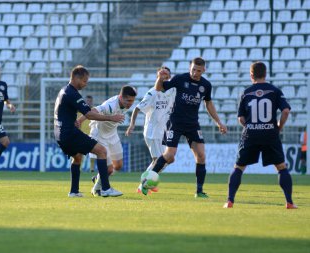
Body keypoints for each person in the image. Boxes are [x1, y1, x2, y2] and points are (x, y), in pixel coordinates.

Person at [140, 57, 227, 197]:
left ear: (204, 70)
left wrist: (219, 122)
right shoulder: (180, 79)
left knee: (201, 156)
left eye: (198, 70)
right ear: (189, 68)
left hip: (192, 124)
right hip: (175, 122)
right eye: (193, 69)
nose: (195, 73)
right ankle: (147, 181)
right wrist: (160, 79)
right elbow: (159, 88)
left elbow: (208, 103)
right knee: (169, 155)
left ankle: (199, 191)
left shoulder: (206, 85)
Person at [224, 61, 297, 209]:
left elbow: (241, 118)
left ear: (251, 75)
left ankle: (230, 201)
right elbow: (286, 111)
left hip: (250, 134)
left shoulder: (246, 92)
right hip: (270, 133)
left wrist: (251, 127)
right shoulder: (275, 91)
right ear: (265, 73)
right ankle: (289, 202)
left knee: (239, 167)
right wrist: (279, 127)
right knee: (281, 167)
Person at [54, 65, 124, 198]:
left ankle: (74, 191)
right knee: (101, 151)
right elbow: (90, 114)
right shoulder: (73, 94)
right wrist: (111, 118)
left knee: (77, 157)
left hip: (60, 134)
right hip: (69, 133)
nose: (85, 84)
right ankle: (105, 188)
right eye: (84, 81)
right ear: (76, 78)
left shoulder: (64, 90)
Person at [78, 86, 137, 196]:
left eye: (132, 101)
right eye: (128, 100)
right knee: (109, 169)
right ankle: (98, 189)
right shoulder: (110, 105)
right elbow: (93, 111)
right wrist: (80, 120)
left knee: (118, 166)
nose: (130, 103)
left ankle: (98, 178)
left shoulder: (125, 104)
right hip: (100, 135)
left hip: (112, 134)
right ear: (120, 97)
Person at [125, 66, 175, 193]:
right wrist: (132, 125)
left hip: (163, 132)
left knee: (169, 159)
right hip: (152, 132)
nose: (165, 77)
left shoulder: (172, 90)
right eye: (162, 75)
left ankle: (148, 181)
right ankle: (143, 185)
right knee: (159, 160)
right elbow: (137, 108)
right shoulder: (152, 93)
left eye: (167, 75)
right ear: (158, 77)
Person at [77, 95, 96, 173]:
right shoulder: (80, 111)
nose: (89, 102)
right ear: (85, 101)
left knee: (93, 153)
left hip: (92, 133)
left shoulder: (94, 110)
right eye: (87, 101)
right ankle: (79, 168)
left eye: (90, 101)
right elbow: (77, 122)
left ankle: (92, 169)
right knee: (80, 152)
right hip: (82, 134)